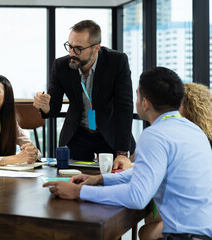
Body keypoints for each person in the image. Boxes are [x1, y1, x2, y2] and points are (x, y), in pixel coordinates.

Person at [43, 67, 212, 239]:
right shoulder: (193, 130)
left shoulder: (155, 135)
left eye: (137, 94)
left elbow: (137, 196)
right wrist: (99, 179)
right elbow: (144, 171)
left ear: (145, 102)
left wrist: (78, 192)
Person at [33, 19, 135, 163]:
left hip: (109, 132)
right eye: (69, 46)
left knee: (110, 179)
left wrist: (122, 152)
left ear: (96, 47)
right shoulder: (61, 66)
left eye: (78, 48)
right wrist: (44, 105)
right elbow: (53, 108)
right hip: (78, 133)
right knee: (72, 179)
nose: (72, 53)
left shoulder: (116, 61)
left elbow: (124, 107)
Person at [138, 82, 212, 240]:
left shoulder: (184, 138)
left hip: (196, 221)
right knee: (153, 216)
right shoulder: (195, 137)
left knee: (146, 230)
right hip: (198, 215)